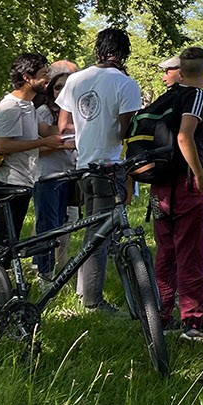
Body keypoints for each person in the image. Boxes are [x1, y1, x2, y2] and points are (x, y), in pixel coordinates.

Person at [57, 28, 145, 316]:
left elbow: (63, 127)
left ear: (98, 50)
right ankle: (93, 301)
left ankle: (84, 291)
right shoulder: (126, 84)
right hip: (109, 166)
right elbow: (125, 131)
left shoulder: (75, 79)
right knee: (100, 237)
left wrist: (87, 130)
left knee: (89, 229)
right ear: (124, 53)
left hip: (82, 166)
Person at [151, 47, 203, 342]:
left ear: (180, 71)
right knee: (191, 253)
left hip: (160, 187)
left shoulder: (165, 97)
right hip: (184, 184)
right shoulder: (196, 96)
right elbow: (184, 135)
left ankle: (160, 314)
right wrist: (198, 173)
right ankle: (193, 322)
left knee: (166, 253)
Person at [0, 52, 68, 241]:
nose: (48, 79)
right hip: (9, 183)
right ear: (27, 78)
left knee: (11, 239)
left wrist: (79, 132)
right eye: (44, 74)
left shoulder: (27, 105)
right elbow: (3, 145)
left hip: (23, 180)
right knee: (4, 242)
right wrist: (43, 142)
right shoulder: (10, 107)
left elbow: (47, 130)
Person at [32, 60, 79, 284]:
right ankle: (44, 274)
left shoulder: (75, 115)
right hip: (48, 177)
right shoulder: (42, 113)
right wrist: (61, 145)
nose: (63, 91)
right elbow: (34, 149)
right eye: (58, 87)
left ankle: (61, 269)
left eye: (68, 87)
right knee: (47, 226)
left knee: (66, 224)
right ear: (51, 89)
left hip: (70, 176)